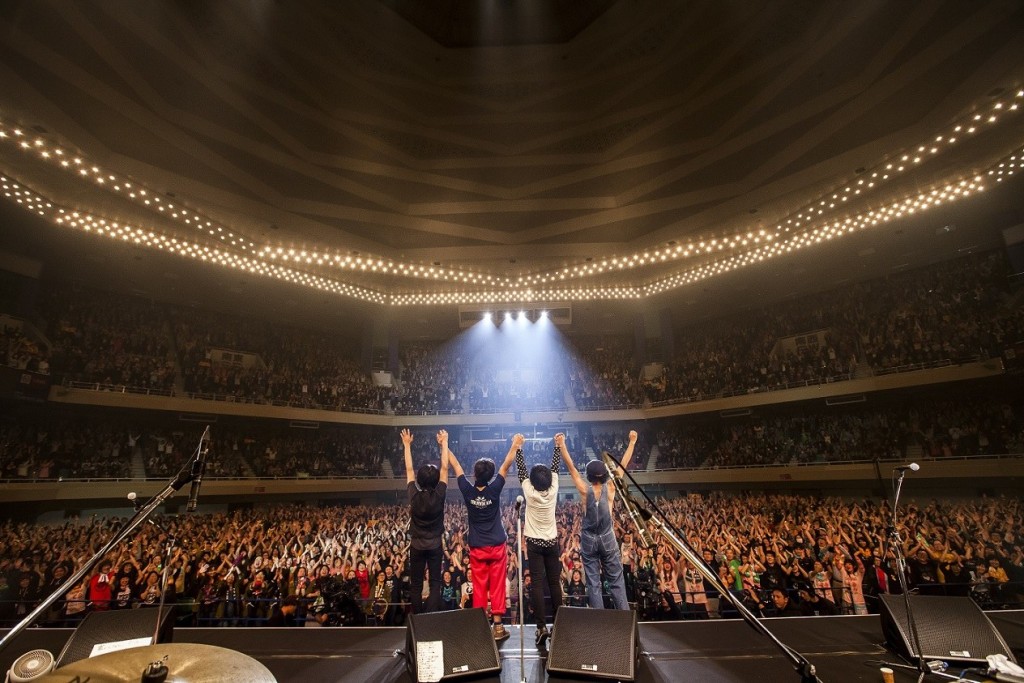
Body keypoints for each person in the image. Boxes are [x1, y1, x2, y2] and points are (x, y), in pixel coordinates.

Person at [444, 429, 517, 641]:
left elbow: (456, 466)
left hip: (477, 547)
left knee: (479, 585)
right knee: (497, 584)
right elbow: (506, 465)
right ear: (491, 476)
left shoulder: (468, 490)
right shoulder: (495, 489)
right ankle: (498, 626)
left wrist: (445, 443)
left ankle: (481, 626)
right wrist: (515, 445)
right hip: (497, 545)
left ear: (474, 475)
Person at [560, 429, 637, 610]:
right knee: (616, 581)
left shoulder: (584, 490)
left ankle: (598, 620)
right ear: (604, 475)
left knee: (593, 583)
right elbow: (622, 465)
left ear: (589, 476)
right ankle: (624, 617)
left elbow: (572, 469)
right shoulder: (610, 488)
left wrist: (562, 445)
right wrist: (632, 442)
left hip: (589, 540)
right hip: (607, 538)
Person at [516, 432, 565, 648]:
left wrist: (518, 448)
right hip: (551, 542)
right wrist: (557, 446)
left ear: (533, 482)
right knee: (554, 583)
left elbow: (521, 470)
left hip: (534, 543)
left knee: (536, 584)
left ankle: (541, 627)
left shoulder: (529, 492)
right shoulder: (553, 490)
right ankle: (559, 625)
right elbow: (555, 468)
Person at [403, 428, 448, 614]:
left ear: (419, 480)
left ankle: (418, 617)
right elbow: (445, 468)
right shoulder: (440, 494)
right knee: (435, 582)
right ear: (436, 480)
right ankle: (431, 615)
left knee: (416, 584)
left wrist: (407, 445)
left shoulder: (414, 495)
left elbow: (409, 469)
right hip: (435, 544)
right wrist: (444, 443)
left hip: (417, 545)